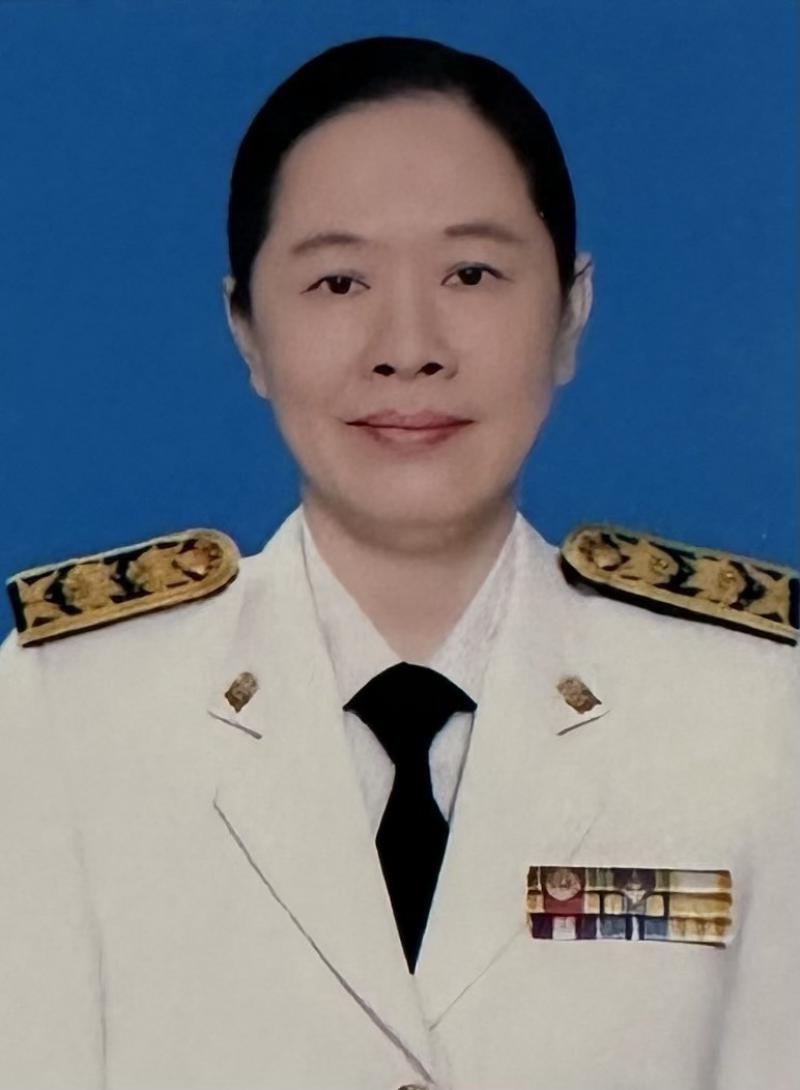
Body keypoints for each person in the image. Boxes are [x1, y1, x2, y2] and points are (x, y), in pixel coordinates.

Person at [1, 35, 797, 1090]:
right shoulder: (66, 713)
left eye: (471, 273)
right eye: (338, 281)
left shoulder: (751, 713)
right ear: (246, 329)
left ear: (570, 311)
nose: (408, 346)